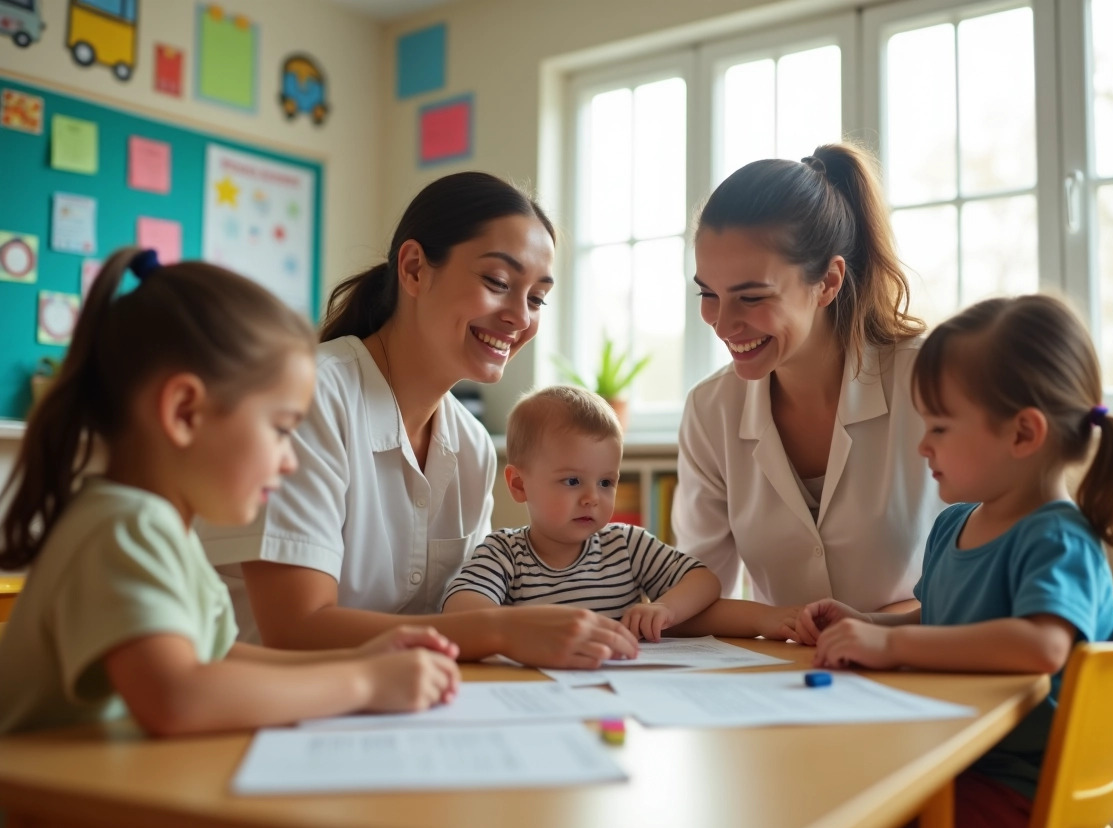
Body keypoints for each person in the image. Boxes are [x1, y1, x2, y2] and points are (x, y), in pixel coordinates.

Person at [0, 248, 460, 736]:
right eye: (281, 429)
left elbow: (215, 656)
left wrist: (358, 658)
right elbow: (177, 697)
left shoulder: (162, 532)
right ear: (184, 412)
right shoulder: (122, 526)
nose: (289, 458)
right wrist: (363, 682)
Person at [199, 173, 639, 668]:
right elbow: (297, 627)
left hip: (398, 707)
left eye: (536, 298)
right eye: (498, 282)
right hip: (261, 718)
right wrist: (499, 629)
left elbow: (469, 608)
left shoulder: (471, 445)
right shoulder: (309, 398)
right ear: (413, 269)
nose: (520, 316)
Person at [795, 294, 1113, 828]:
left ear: (1023, 433)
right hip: (952, 754)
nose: (923, 446)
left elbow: (1041, 645)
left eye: (940, 427)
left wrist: (892, 645)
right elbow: (942, 617)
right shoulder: (953, 524)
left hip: (1015, 785)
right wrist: (869, 622)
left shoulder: (1058, 538)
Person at [672, 142, 942, 638]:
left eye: (751, 297)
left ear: (828, 282)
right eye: (708, 294)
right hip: (790, 684)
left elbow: (994, 582)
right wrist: (781, 623)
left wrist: (874, 629)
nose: (723, 323)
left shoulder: (932, 380)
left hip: (926, 673)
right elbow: (695, 595)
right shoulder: (711, 410)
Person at [442, 386, 720, 642]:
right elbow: (460, 610)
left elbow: (703, 581)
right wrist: (527, 627)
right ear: (519, 484)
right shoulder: (504, 554)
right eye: (573, 481)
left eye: (606, 483)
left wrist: (664, 608)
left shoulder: (627, 546)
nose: (592, 499)